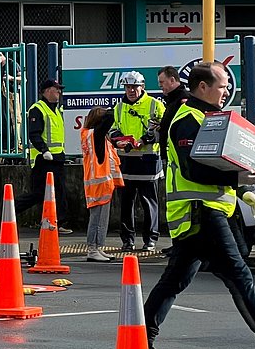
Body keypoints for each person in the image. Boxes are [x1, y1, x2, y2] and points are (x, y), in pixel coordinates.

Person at [143, 60, 255, 349]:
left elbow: (216, 163)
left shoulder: (208, 117)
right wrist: (237, 180)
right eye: (222, 85)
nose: (227, 90)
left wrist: (242, 189)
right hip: (199, 214)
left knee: (175, 280)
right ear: (203, 87)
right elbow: (193, 169)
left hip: (209, 212)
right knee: (239, 275)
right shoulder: (187, 119)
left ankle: (140, 342)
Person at [109, 71, 165, 252]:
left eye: (134, 86)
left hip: (148, 161)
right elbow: (112, 130)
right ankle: (127, 240)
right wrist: (118, 138)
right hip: (125, 161)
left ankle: (150, 239)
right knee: (126, 204)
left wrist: (146, 139)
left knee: (149, 203)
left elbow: (164, 129)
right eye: (128, 87)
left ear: (142, 87)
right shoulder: (118, 107)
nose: (131, 90)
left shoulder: (155, 105)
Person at [15, 79, 71, 232]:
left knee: (59, 192)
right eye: (56, 89)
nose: (59, 92)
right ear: (46, 91)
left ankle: (58, 222)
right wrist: (44, 150)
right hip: (43, 160)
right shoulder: (37, 109)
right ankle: (11, 208)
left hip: (57, 158)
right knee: (40, 193)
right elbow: (34, 134)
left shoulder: (57, 110)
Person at [80, 106, 123, 262]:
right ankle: (93, 249)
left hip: (99, 185)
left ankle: (98, 248)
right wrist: (112, 108)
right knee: (97, 219)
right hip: (98, 185)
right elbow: (109, 118)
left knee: (101, 219)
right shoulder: (95, 135)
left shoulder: (91, 135)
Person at [155, 64, 187, 163]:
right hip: (170, 156)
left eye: (162, 82)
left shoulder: (183, 101)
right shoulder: (172, 101)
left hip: (177, 158)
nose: (160, 85)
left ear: (172, 80)